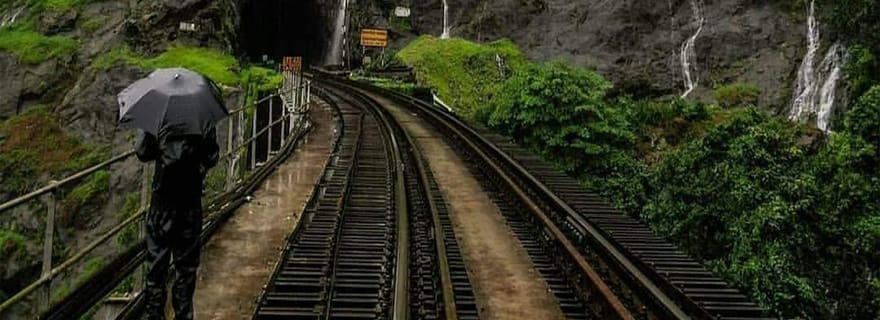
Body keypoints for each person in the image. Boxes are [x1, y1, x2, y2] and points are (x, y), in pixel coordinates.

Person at [135, 127, 219, 320]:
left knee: (156, 268)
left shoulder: (158, 113)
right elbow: (212, 156)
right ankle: (183, 315)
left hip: (162, 201)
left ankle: (155, 315)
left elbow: (142, 151)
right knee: (186, 269)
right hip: (189, 201)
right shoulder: (200, 114)